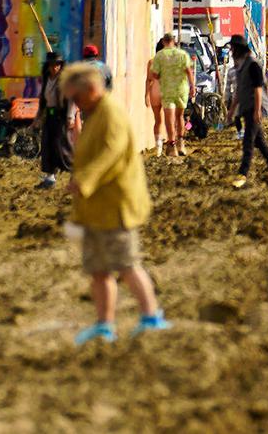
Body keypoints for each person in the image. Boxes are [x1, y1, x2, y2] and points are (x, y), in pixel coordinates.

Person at [62, 63, 169, 345]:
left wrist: (84, 180)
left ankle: (151, 316)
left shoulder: (111, 113)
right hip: (95, 208)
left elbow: (111, 153)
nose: (75, 103)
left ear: (93, 90)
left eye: (77, 97)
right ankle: (104, 324)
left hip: (117, 204)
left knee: (127, 264)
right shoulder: (94, 113)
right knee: (98, 269)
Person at [226, 35, 268, 188]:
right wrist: (232, 110)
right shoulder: (241, 66)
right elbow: (239, 91)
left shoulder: (253, 65)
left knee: (248, 142)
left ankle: (242, 174)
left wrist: (257, 110)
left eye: (233, 48)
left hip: (254, 107)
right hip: (247, 107)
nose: (231, 51)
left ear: (239, 49)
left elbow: (258, 89)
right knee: (260, 142)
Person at [150, 33, 194, 158]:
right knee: (179, 116)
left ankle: (172, 145)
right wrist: (192, 87)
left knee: (169, 118)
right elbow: (189, 71)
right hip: (181, 90)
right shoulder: (182, 54)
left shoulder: (160, 56)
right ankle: (181, 143)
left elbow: (155, 75)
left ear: (164, 42)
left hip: (167, 90)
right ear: (174, 42)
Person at [37, 52, 74, 189]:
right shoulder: (47, 79)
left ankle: (75, 174)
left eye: (57, 65)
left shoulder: (65, 80)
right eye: (52, 65)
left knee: (62, 147)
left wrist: (70, 116)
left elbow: (71, 99)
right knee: (47, 145)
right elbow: (44, 99)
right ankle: (50, 178)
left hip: (61, 116)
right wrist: (38, 117)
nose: (54, 68)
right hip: (50, 115)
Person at [144, 39, 165, 156]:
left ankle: (159, 147)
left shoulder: (152, 62)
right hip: (166, 91)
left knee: (158, 120)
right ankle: (164, 145)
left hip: (155, 92)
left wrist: (146, 95)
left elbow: (148, 80)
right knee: (166, 119)